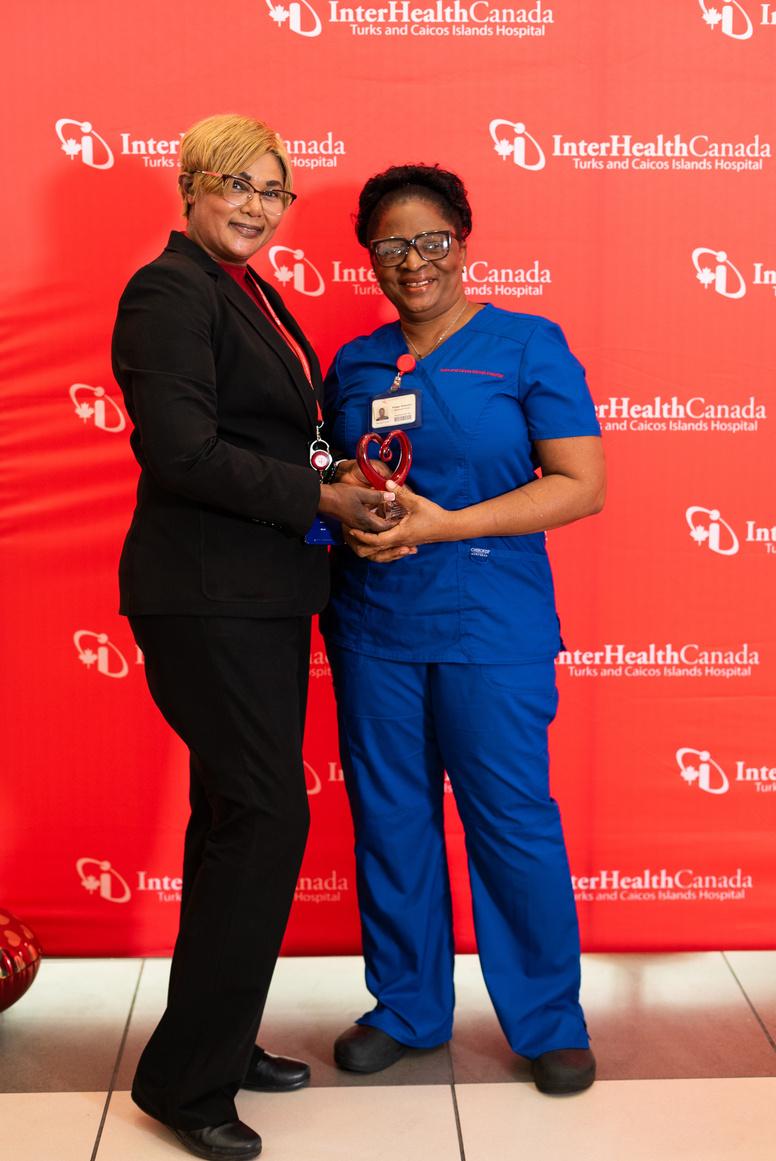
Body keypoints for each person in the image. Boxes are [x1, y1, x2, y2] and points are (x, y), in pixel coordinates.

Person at [111, 114, 395, 1161]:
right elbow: (181, 451)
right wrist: (317, 497)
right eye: (237, 185)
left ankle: (215, 1045)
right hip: (205, 596)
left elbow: (279, 436)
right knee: (266, 817)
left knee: (235, 818)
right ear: (190, 186)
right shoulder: (168, 291)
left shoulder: (245, 291)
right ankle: (185, 1084)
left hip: (263, 594)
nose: (256, 207)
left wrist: (337, 480)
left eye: (274, 192)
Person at [321, 164, 606, 1095]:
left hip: (492, 626)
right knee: (391, 820)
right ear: (370, 257)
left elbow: (581, 484)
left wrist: (447, 525)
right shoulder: (355, 363)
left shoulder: (528, 344)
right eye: (391, 246)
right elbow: (334, 479)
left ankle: (548, 1020)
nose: (414, 262)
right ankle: (406, 1006)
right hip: (375, 627)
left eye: (432, 240)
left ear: (464, 242)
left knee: (512, 822)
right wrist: (346, 506)